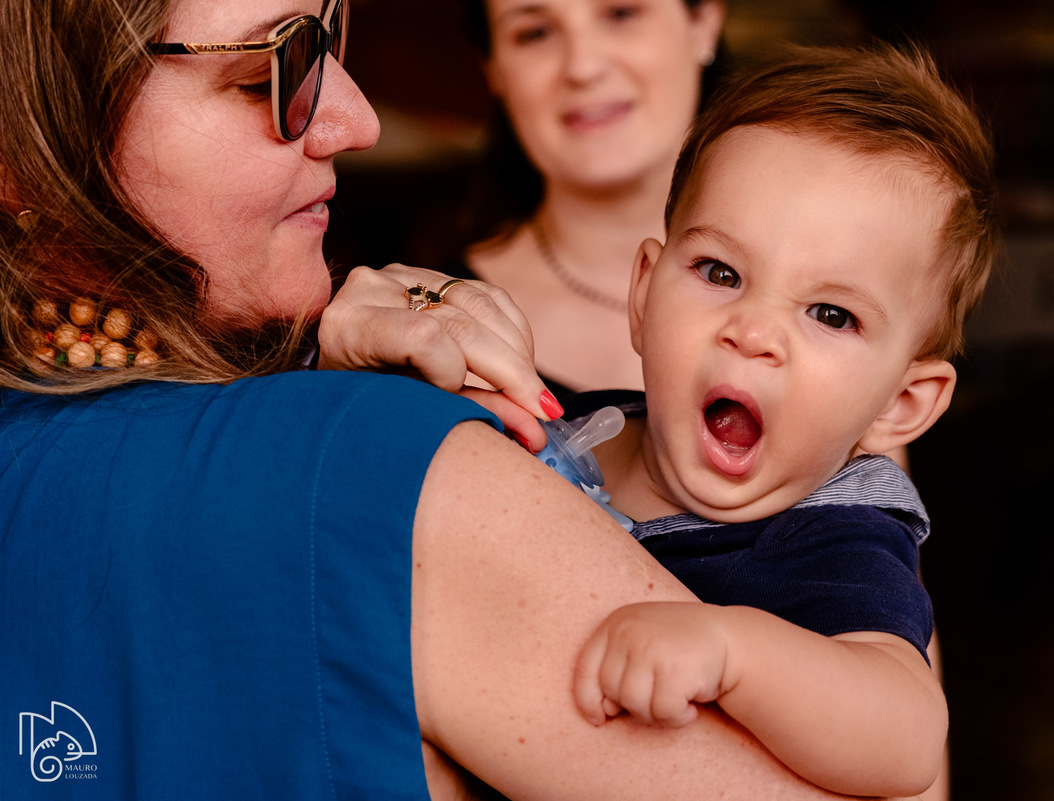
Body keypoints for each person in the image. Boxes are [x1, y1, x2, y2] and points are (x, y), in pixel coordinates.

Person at [0, 1, 886, 799]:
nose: (356, 119)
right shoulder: (385, 464)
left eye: (331, 28)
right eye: (269, 66)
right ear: (21, 147)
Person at [563, 44, 997, 799]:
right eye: (720, 273)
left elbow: (907, 737)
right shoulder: (571, 426)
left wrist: (735, 650)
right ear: (643, 294)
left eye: (832, 314)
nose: (753, 331)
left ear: (903, 403)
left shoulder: (832, 542)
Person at [445, 0, 726, 394]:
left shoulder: (829, 284)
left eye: (620, 14)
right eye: (535, 33)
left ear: (704, 22)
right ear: (494, 70)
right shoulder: (438, 331)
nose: (583, 67)